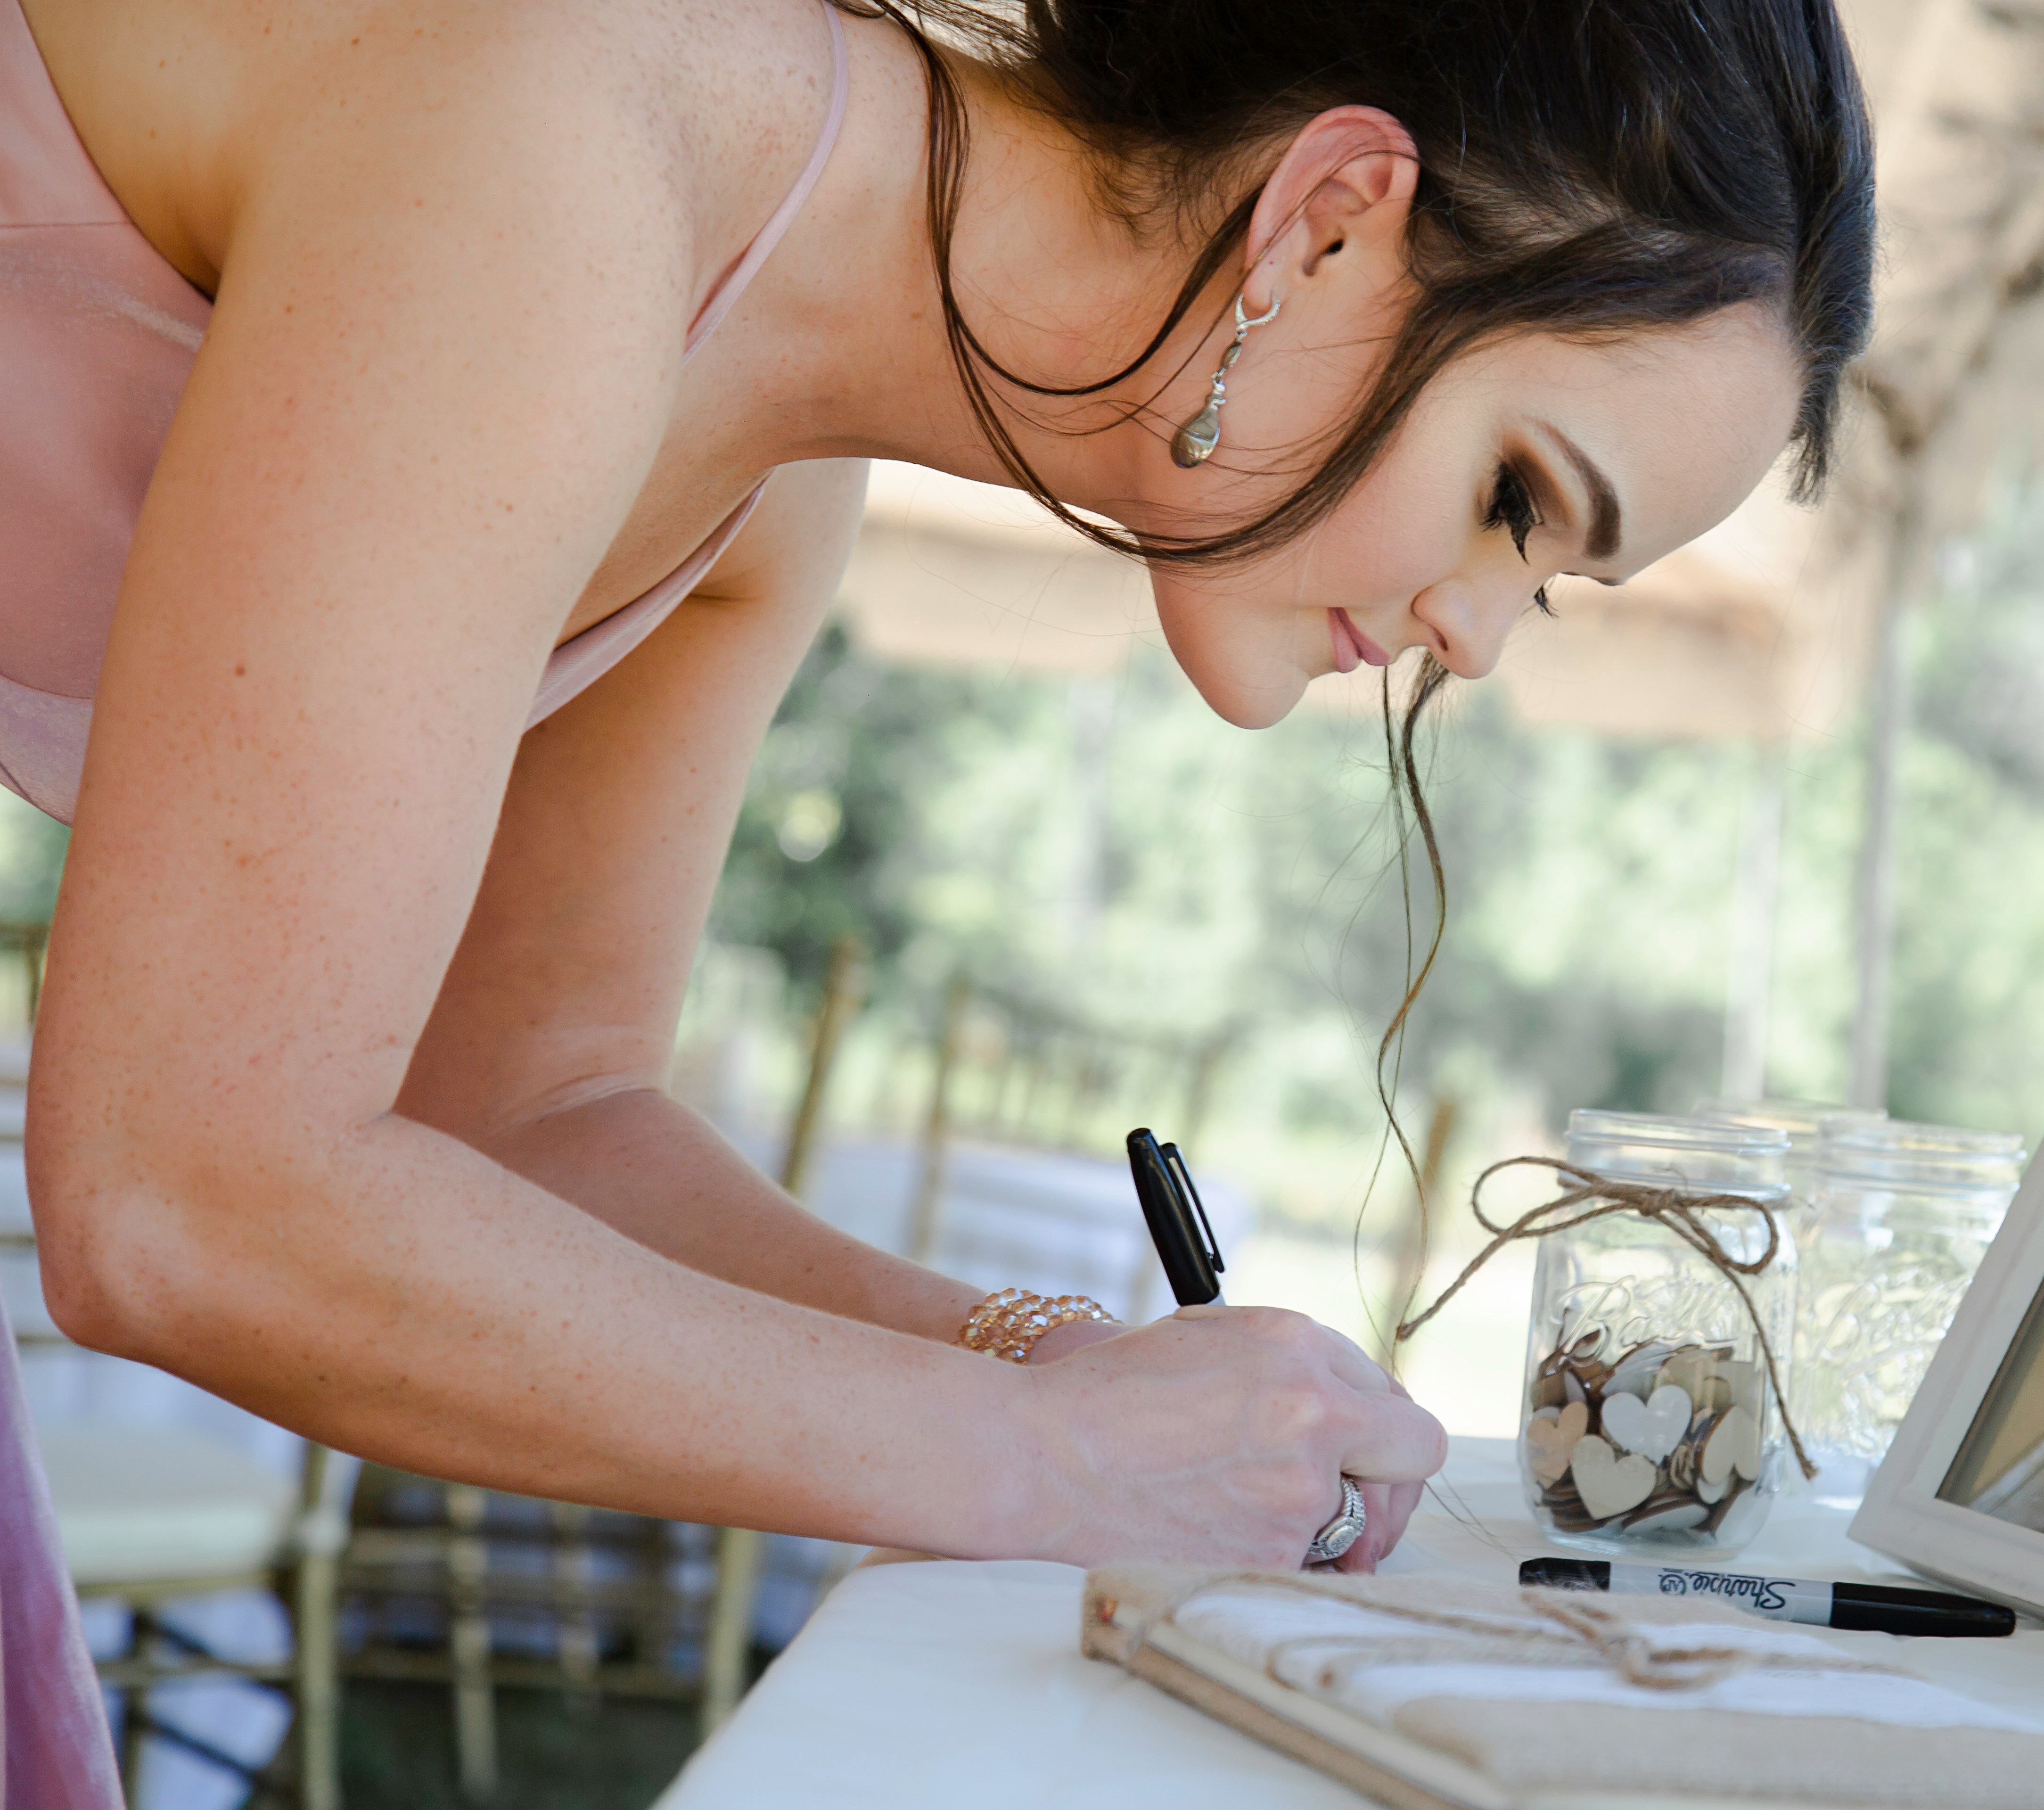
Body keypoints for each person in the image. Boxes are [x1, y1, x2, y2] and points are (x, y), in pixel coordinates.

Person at [0, 0, 1872, 1788]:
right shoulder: (576, 144)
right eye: (1523, 504)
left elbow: (529, 1117)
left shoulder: (776, 473)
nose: (1476, 637)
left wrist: (1059, 1361)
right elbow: (188, 1191)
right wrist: (1030, 1460)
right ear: (1325, 217)